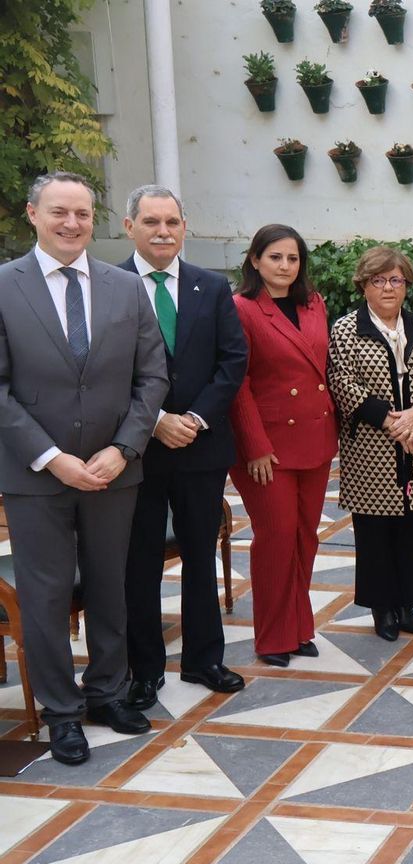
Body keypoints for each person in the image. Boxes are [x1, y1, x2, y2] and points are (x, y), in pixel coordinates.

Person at [0, 173, 167, 764]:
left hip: (112, 469)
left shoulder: (125, 288)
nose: (72, 223)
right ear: (33, 215)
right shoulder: (3, 286)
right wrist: (52, 458)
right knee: (45, 597)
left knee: (110, 586)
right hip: (35, 475)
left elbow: (152, 377)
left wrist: (124, 447)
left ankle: (106, 693)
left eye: (83, 214)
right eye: (59, 212)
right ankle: (61, 712)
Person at [118, 185, 248, 709]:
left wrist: (192, 418)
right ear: (130, 227)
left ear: (184, 227)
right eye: (151, 222)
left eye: (172, 221)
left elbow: (232, 361)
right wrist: (155, 422)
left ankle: (204, 659)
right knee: (140, 561)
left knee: (200, 553)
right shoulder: (109, 286)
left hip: (201, 447)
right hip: (137, 451)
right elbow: (101, 372)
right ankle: (143, 670)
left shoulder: (210, 286)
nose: (163, 232)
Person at [229, 224, 338, 667]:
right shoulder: (240, 308)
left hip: (313, 438)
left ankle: (299, 626)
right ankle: (273, 637)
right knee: (274, 538)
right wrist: (254, 445)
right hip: (266, 447)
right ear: (255, 261)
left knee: (304, 537)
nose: (285, 266)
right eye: (275, 257)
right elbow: (239, 383)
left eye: (292, 258)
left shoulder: (314, 303)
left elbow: (321, 371)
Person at [326, 246, 413, 641]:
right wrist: (390, 420)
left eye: (396, 280)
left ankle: (406, 602)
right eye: (378, 280)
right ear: (363, 285)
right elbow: (341, 383)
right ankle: (382, 607)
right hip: (371, 447)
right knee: (374, 529)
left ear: (407, 284)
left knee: (411, 526)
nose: (388, 288)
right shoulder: (345, 329)